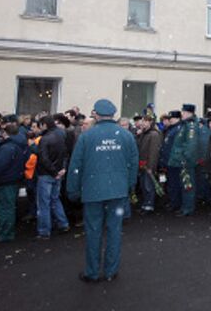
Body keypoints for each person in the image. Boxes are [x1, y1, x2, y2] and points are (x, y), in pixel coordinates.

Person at [67, 99, 138, 283]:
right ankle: (110, 271)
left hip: (93, 191)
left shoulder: (87, 136)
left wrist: (73, 190)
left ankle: (92, 272)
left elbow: (76, 165)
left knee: (93, 231)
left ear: (96, 114)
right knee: (114, 231)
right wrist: (129, 185)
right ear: (113, 115)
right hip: (118, 191)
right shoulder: (126, 135)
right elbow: (133, 164)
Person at [35, 115, 69, 239]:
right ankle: (63, 223)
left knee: (44, 203)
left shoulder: (44, 139)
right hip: (58, 173)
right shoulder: (61, 135)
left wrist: (54, 172)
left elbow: (44, 158)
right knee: (55, 200)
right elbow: (65, 153)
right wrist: (62, 169)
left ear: (44, 125)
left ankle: (44, 231)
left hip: (46, 174)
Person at [168, 104, 199, 217]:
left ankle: (188, 208)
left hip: (186, 161)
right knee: (184, 184)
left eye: (184, 112)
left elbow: (191, 145)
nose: (182, 114)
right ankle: (184, 207)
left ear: (189, 113)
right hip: (182, 160)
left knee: (188, 185)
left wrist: (185, 158)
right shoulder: (185, 125)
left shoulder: (190, 126)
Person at [136, 115, 162, 215]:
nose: (142, 123)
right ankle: (145, 204)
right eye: (142, 121)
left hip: (148, 165)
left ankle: (149, 205)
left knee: (148, 186)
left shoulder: (154, 134)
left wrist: (151, 167)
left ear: (150, 122)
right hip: (142, 164)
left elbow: (153, 152)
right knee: (143, 185)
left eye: (145, 121)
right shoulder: (144, 133)